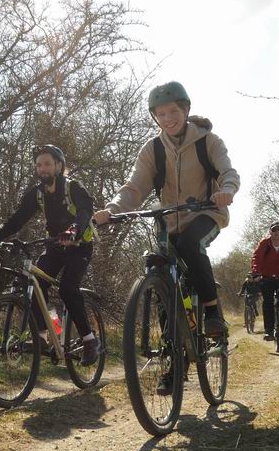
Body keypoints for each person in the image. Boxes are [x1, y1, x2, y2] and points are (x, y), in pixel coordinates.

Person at [93, 81, 240, 339]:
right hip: (168, 221)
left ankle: (212, 313)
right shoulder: (152, 150)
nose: (167, 119)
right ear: (155, 117)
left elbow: (228, 172)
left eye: (173, 111)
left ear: (185, 110)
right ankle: (172, 356)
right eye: (160, 114)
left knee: (190, 243)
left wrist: (226, 190)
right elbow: (134, 187)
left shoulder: (209, 142)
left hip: (207, 213)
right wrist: (112, 208)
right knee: (159, 271)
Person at [0, 144, 100, 366]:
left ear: (59, 165)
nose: (42, 169)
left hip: (80, 246)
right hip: (55, 247)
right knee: (33, 285)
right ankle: (44, 337)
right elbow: (15, 220)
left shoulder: (73, 187)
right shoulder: (37, 194)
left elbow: (85, 210)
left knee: (67, 289)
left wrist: (74, 230)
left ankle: (90, 340)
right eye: (38, 165)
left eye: (46, 164)